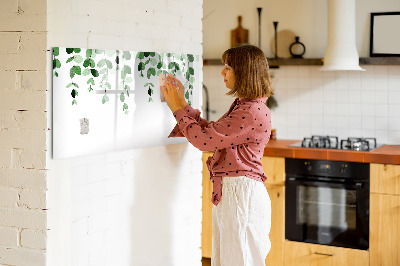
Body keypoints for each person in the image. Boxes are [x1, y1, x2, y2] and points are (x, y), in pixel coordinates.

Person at [161, 44, 273, 266]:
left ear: (244, 72)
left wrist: (176, 108)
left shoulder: (250, 111)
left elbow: (204, 141)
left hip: (241, 195)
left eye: (228, 67)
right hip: (236, 193)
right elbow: (212, 133)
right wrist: (182, 103)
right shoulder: (246, 106)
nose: (222, 72)